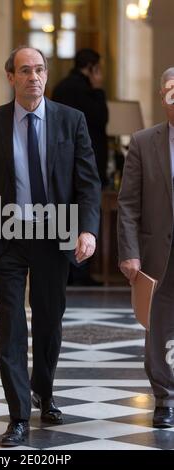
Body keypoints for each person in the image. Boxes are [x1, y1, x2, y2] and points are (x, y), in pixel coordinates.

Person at [0, 46, 101, 446]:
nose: (33, 77)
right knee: (10, 323)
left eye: (39, 70)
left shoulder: (71, 120)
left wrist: (87, 229)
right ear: (11, 77)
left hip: (55, 231)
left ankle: (44, 389)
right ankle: (18, 415)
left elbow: (87, 181)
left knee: (48, 320)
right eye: (25, 71)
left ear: (46, 74)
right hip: (7, 233)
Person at [118, 67, 174, 428]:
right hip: (158, 254)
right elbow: (128, 203)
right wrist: (129, 251)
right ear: (163, 95)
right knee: (160, 328)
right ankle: (165, 399)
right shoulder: (142, 141)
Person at [52, 49, 107, 286]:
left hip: (61, 162)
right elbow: (101, 118)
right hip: (84, 160)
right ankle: (79, 269)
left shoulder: (61, 87)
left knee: (67, 213)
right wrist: (98, 91)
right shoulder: (87, 91)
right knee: (82, 208)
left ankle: (71, 268)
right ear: (92, 67)